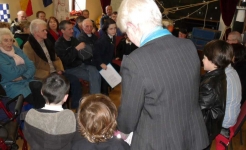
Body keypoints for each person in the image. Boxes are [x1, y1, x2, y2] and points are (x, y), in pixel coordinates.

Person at [116, 0, 209, 149]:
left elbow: (128, 117)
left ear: (131, 26)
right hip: (191, 135)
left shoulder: (135, 61)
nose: (129, 38)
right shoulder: (189, 46)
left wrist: (120, 133)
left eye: (127, 33)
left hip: (158, 141)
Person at [23, 19, 82, 109]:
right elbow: (31, 67)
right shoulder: (28, 46)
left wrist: (59, 69)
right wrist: (48, 74)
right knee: (59, 87)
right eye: (43, 30)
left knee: (74, 81)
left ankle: (76, 107)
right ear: (36, 32)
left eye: (46, 30)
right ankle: (62, 109)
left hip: (55, 72)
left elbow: (56, 58)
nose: (46, 32)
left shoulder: (47, 41)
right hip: (43, 75)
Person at [23, 73, 77, 150]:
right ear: (66, 97)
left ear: (41, 92)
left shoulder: (30, 115)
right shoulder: (72, 119)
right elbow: (75, 143)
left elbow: (28, 137)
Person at [0, 28, 45, 108]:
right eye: (6, 40)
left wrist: (23, 76)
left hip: (28, 80)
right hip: (13, 86)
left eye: (11, 40)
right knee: (40, 100)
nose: (9, 43)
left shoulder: (16, 50)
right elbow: (12, 74)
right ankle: (43, 117)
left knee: (48, 94)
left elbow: (31, 66)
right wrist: (25, 66)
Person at [199, 40, 231, 149]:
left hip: (203, 130)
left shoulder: (210, 85)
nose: (202, 60)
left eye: (204, 57)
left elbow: (195, 109)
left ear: (213, 61)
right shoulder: (219, 74)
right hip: (210, 128)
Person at [55, 20, 101, 94]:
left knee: (95, 71)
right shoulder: (59, 44)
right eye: (69, 29)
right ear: (62, 31)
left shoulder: (74, 40)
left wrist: (87, 49)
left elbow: (83, 54)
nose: (72, 31)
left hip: (81, 64)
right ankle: (95, 98)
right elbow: (66, 60)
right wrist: (76, 49)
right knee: (94, 77)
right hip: (70, 68)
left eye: (72, 28)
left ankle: (95, 97)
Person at [93, 18, 116, 95]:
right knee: (104, 81)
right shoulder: (102, 41)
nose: (114, 30)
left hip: (107, 61)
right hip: (101, 63)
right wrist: (101, 63)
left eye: (115, 28)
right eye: (111, 29)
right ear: (106, 30)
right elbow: (96, 54)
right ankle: (104, 95)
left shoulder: (112, 37)